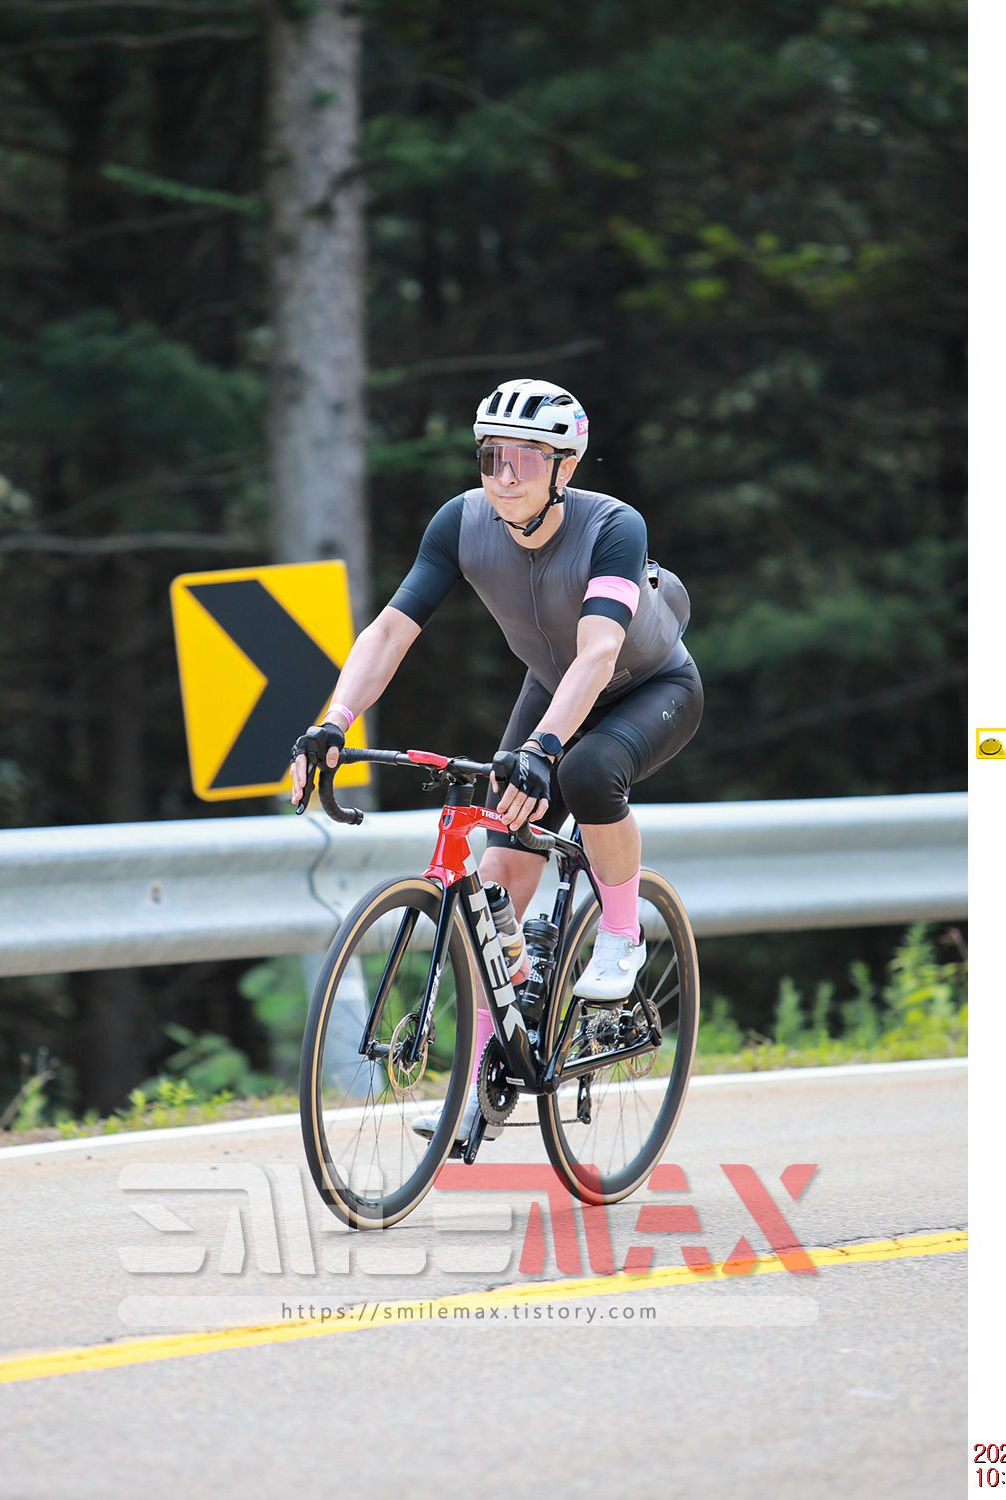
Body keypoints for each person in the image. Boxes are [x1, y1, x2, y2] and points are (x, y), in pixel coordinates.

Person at [290, 376, 703, 1148]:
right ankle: (485, 1076)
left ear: (565, 467)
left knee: (586, 774)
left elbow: (599, 652)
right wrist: (333, 720)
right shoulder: (461, 522)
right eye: (491, 457)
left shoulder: (613, 526)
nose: (505, 475)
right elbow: (390, 631)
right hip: (551, 688)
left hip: (647, 689)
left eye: (526, 458)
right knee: (497, 878)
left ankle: (620, 933)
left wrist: (544, 748)